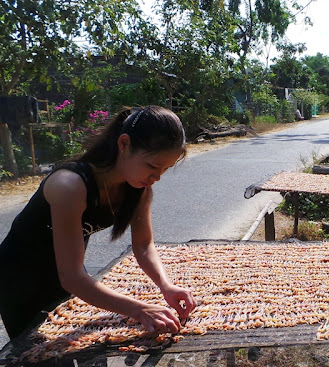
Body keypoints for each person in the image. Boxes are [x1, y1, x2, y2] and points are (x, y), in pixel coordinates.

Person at [0, 106, 197, 340]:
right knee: (39, 356)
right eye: (153, 166)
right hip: (19, 281)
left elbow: (144, 245)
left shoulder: (138, 188)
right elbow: (71, 277)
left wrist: (166, 286)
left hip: (69, 277)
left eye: (165, 169)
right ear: (124, 144)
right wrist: (140, 309)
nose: (157, 177)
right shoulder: (69, 185)